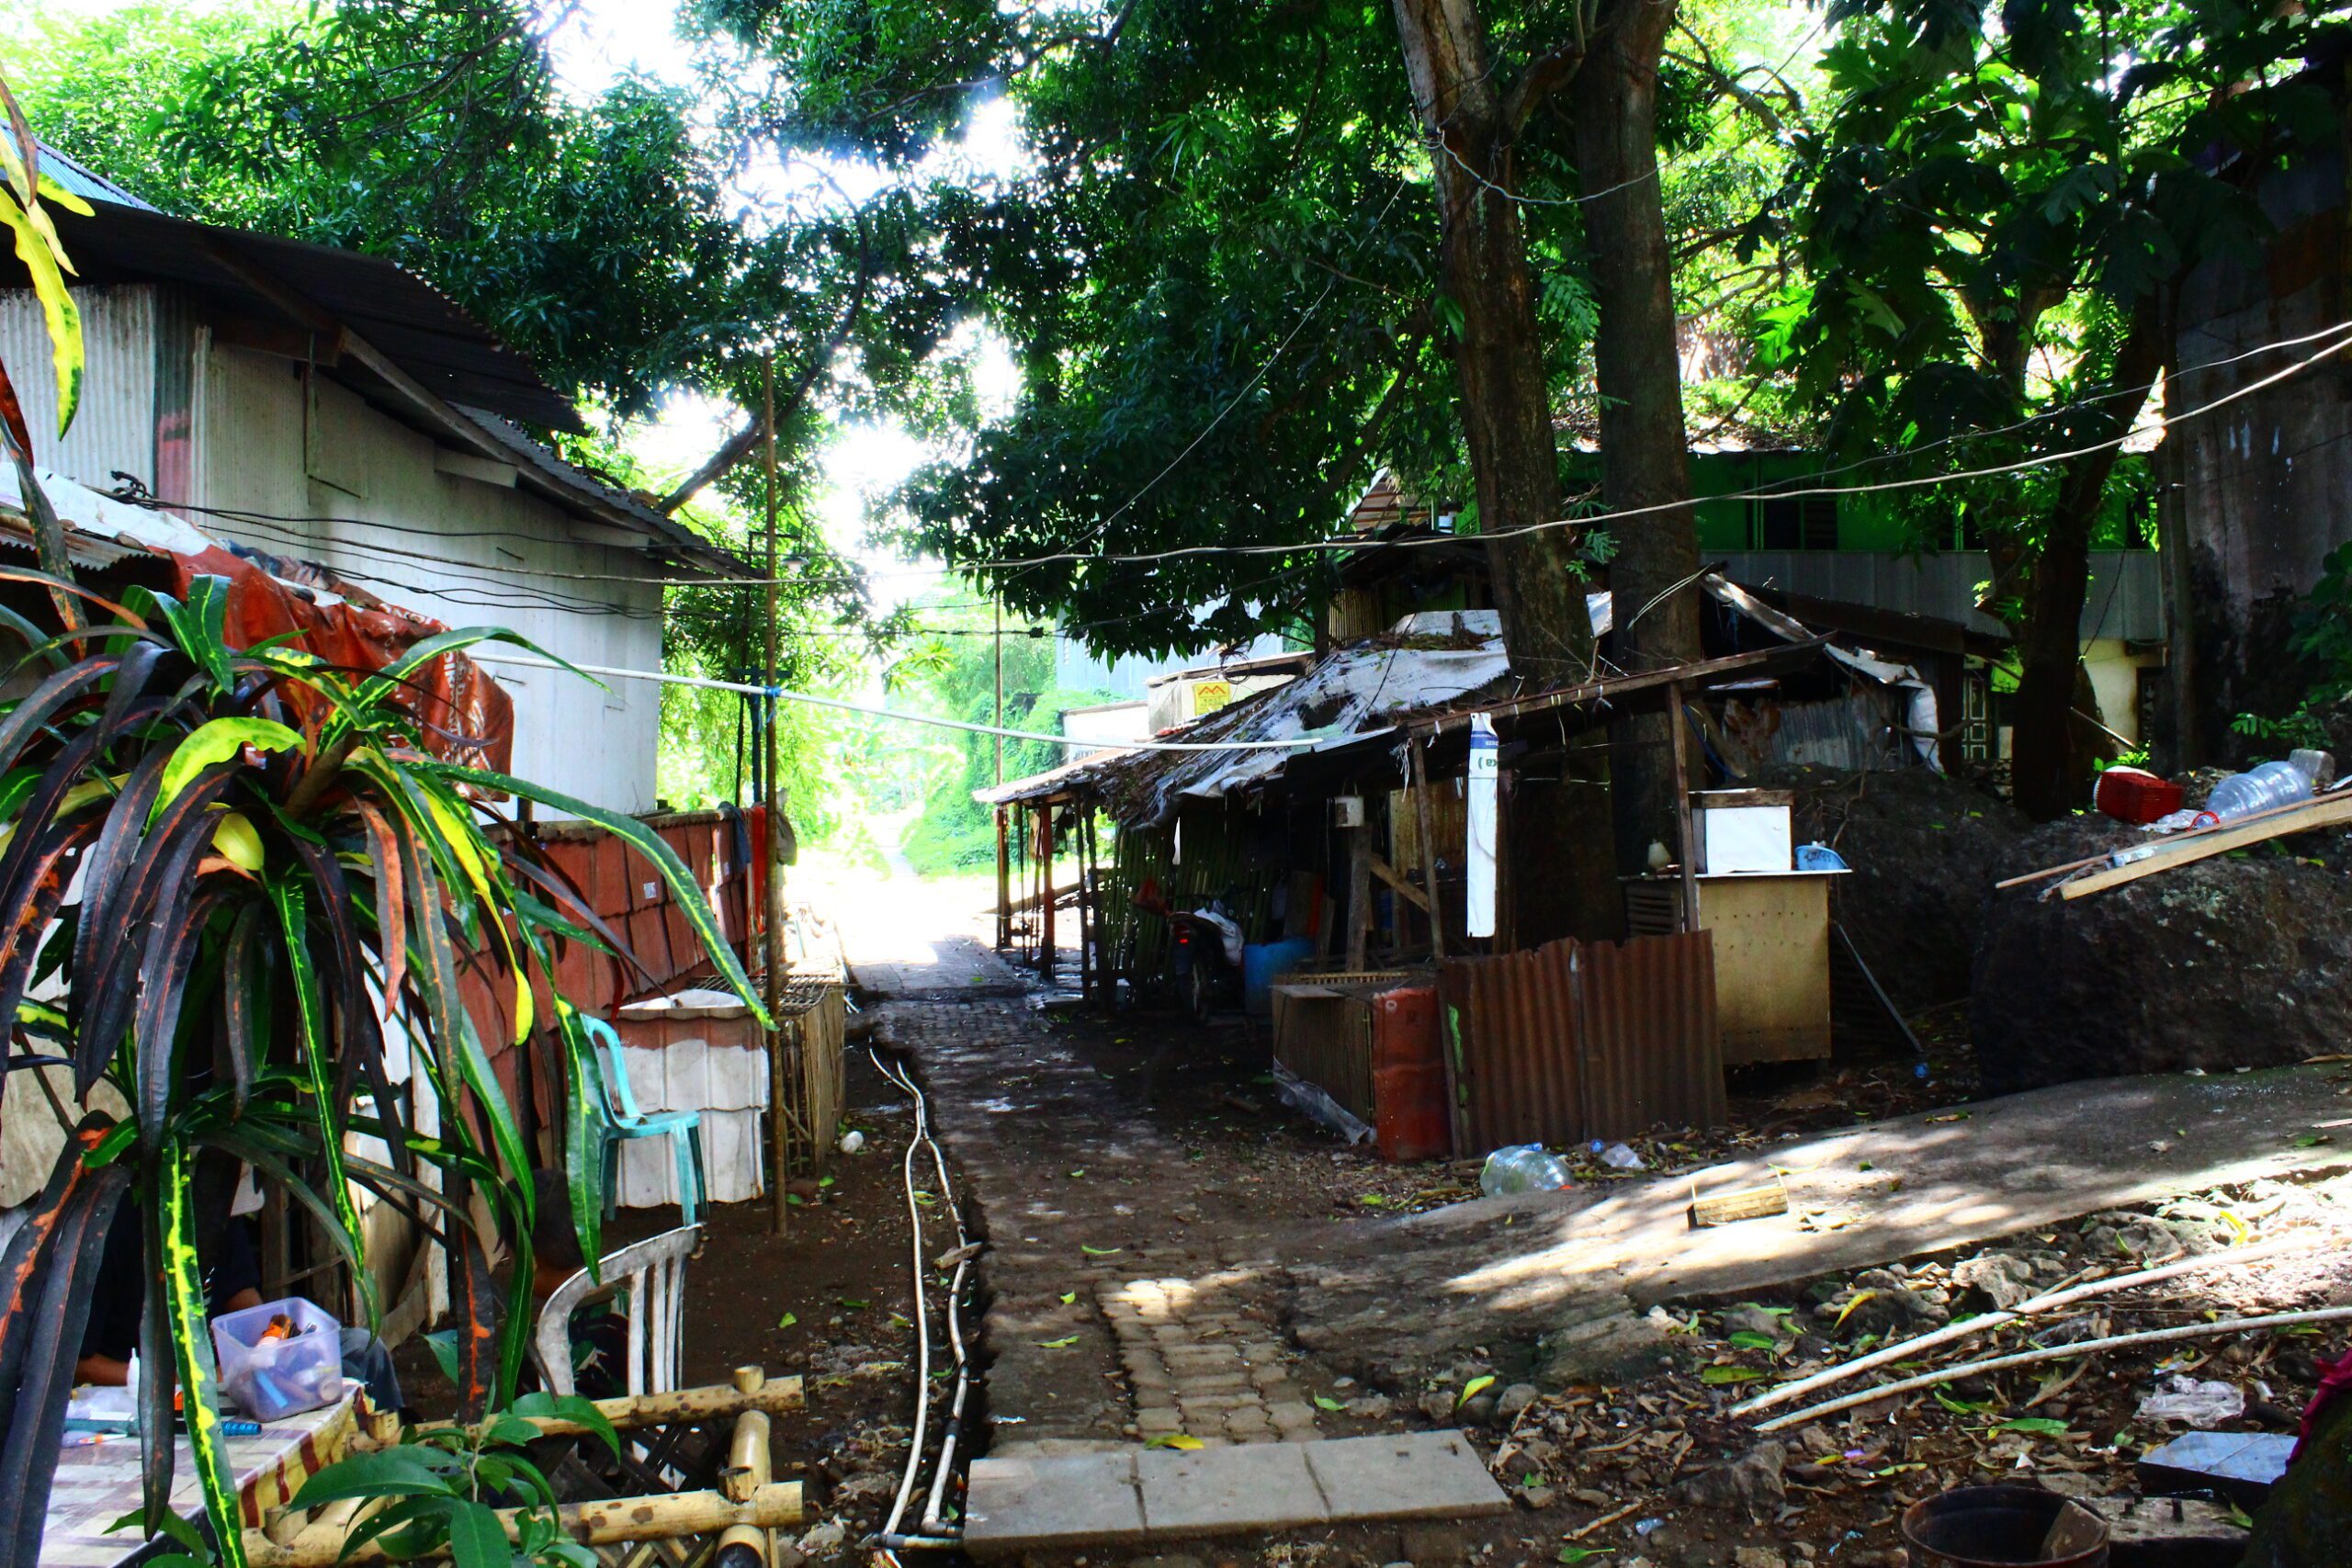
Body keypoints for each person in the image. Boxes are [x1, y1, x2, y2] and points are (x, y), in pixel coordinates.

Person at [76, 1199, 402, 1415]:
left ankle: (396, 1463)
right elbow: (81, 1363)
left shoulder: (215, 1213)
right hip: (146, 1390)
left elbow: (240, 1292)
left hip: (229, 1371)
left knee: (361, 1350)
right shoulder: (109, 1236)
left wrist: (263, 1347)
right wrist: (179, 1380)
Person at [527, 1170, 628, 1399]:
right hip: (642, 1429)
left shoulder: (548, 1344)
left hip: (571, 1432)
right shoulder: (628, 1304)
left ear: (535, 1260)